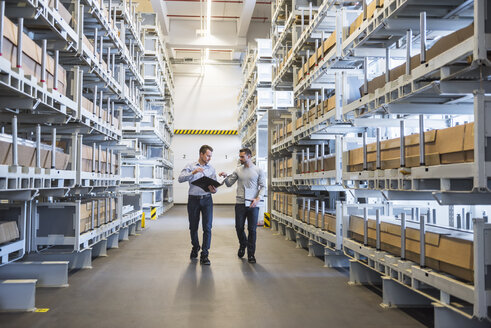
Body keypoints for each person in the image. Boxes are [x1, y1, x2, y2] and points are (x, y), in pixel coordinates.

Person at [219, 148, 266, 263]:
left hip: (253, 204)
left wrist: (258, 198)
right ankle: (243, 243)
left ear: (249, 156)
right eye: (240, 156)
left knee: (252, 230)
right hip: (240, 203)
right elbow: (229, 184)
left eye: (242, 157)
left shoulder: (258, 170)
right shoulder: (238, 170)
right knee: (239, 227)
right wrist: (225, 176)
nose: (240, 159)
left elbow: (263, 186)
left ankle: (251, 254)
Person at [178, 145, 218, 265]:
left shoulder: (211, 169)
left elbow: (214, 186)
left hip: (207, 200)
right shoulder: (190, 166)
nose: (210, 158)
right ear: (201, 154)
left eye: (211, 156)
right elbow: (180, 179)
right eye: (208, 155)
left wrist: (214, 190)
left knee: (207, 227)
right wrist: (193, 172)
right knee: (193, 227)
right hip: (193, 200)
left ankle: (205, 254)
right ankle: (195, 247)